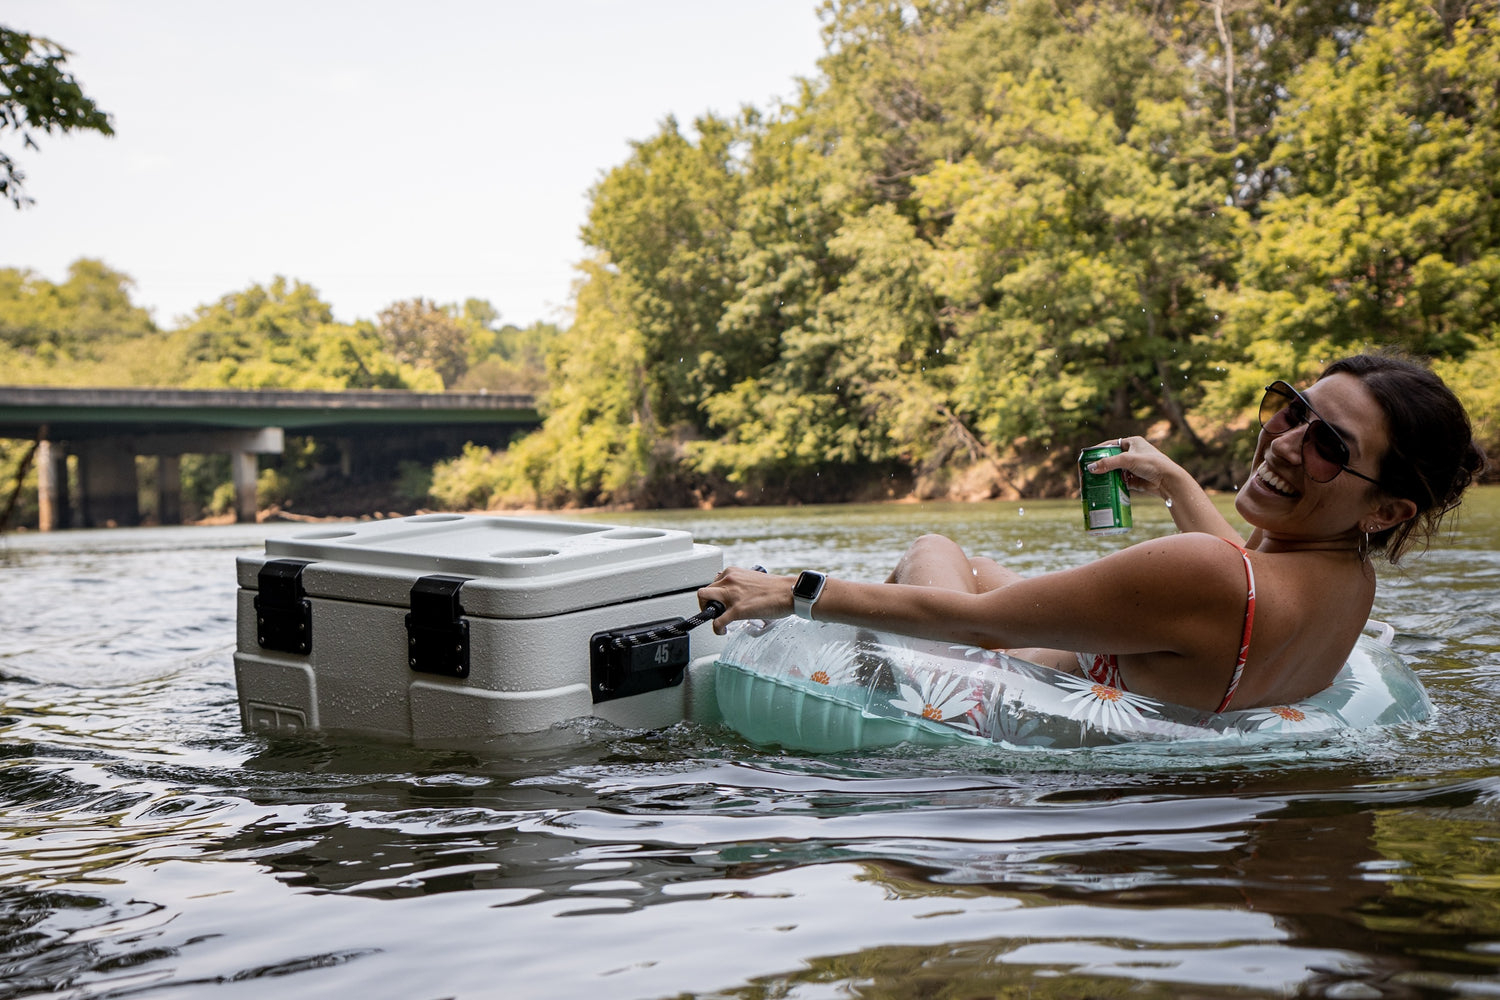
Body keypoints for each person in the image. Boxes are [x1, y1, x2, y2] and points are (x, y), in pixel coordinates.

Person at [698, 352, 1487, 713]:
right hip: (1177, 681)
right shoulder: (1349, 580)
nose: (1285, 440)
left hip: (995, 695)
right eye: (1293, 407)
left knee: (938, 554)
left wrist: (788, 591)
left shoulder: (1209, 576)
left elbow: (973, 626)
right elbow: (1249, 581)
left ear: (1387, 510)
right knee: (986, 562)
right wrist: (1179, 481)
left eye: (1327, 446)